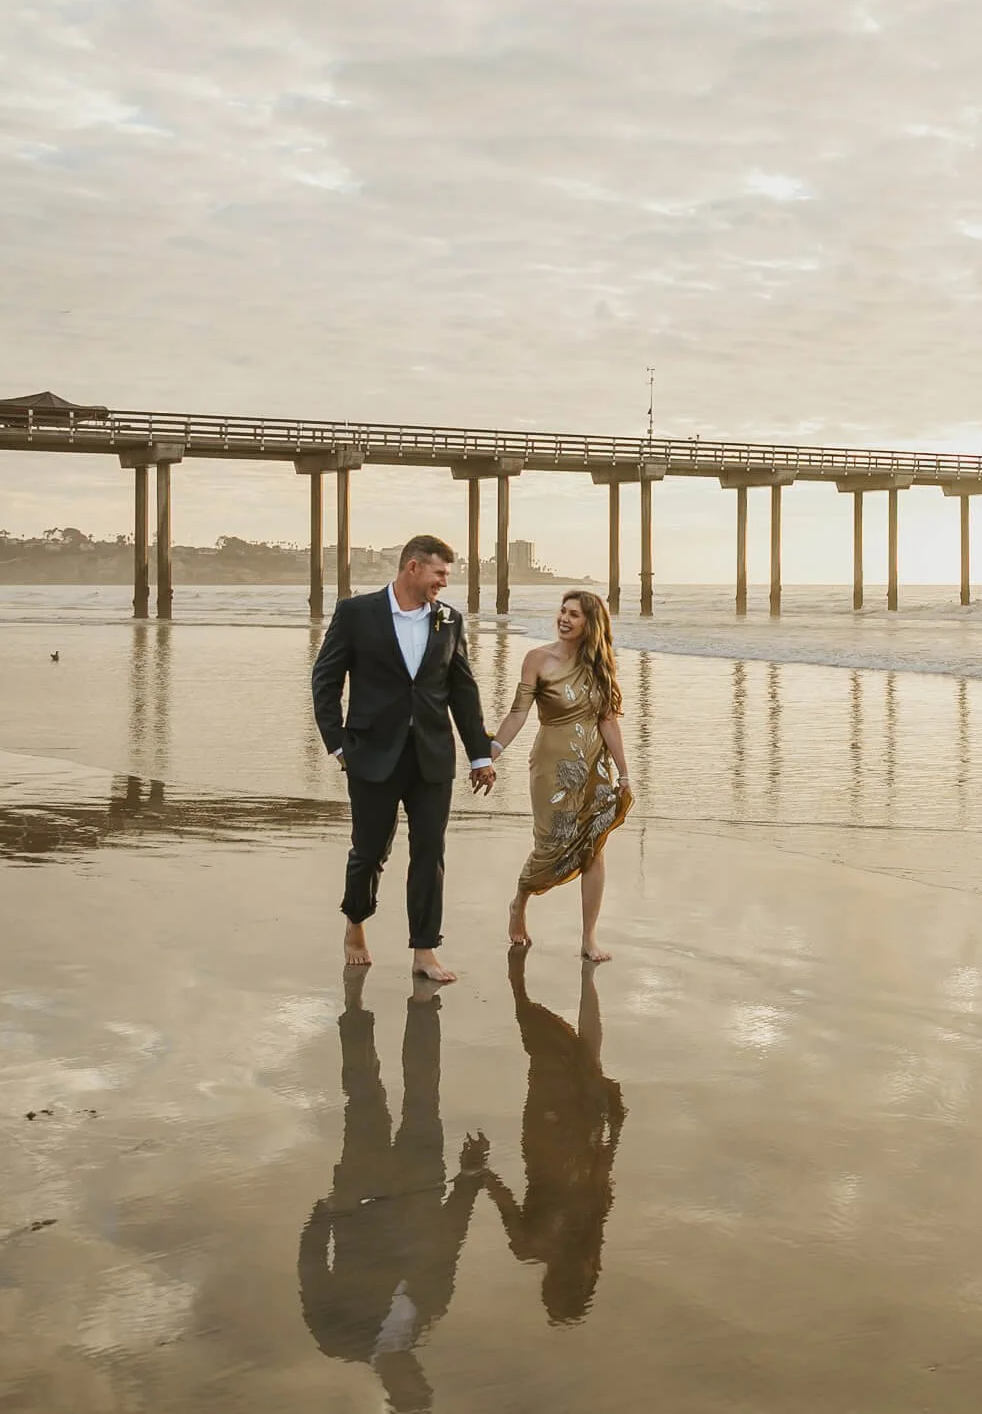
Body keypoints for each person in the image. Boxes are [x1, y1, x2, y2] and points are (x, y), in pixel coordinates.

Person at [298, 972, 487, 1413]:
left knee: (363, 1095)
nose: (418, 1381)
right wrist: (469, 1177)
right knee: (425, 1092)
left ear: (393, 1398)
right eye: (425, 1389)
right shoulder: (431, 1311)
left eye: (412, 1394)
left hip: (363, 1190)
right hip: (422, 1184)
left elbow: (311, 1274)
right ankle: (424, 1008)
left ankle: (355, 1009)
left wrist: (324, 1215)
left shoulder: (338, 1337)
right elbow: (449, 1241)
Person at [312, 535, 496, 984]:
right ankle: (355, 923)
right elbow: (325, 678)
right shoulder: (357, 614)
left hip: (432, 757)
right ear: (413, 567)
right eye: (439, 574)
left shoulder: (449, 620)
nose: (443, 584)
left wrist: (478, 756)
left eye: (447, 577)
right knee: (370, 851)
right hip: (371, 755)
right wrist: (338, 745)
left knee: (430, 852)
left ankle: (424, 950)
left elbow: (463, 690)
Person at [480, 948, 626, 1323]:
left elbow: (498, 1192)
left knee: (549, 1061)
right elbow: (602, 1173)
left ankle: (518, 985)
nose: (591, 1271)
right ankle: (520, 985)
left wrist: (476, 1169)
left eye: (583, 1280)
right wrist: (616, 1125)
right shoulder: (585, 1233)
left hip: (551, 1133)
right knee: (569, 1062)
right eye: (589, 1279)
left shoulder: (532, 1244)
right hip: (575, 1133)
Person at [489, 590, 633, 961]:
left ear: (590, 624)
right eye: (563, 612)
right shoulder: (537, 659)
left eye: (575, 615)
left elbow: (607, 720)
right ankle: (520, 901)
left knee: (594, 849)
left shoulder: (600, 665)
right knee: (550, 845)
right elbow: (519, 713)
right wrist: (492, 753)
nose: (565, 619)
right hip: (552, 768)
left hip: (594, 769)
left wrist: (624, 773)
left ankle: (588, 938)